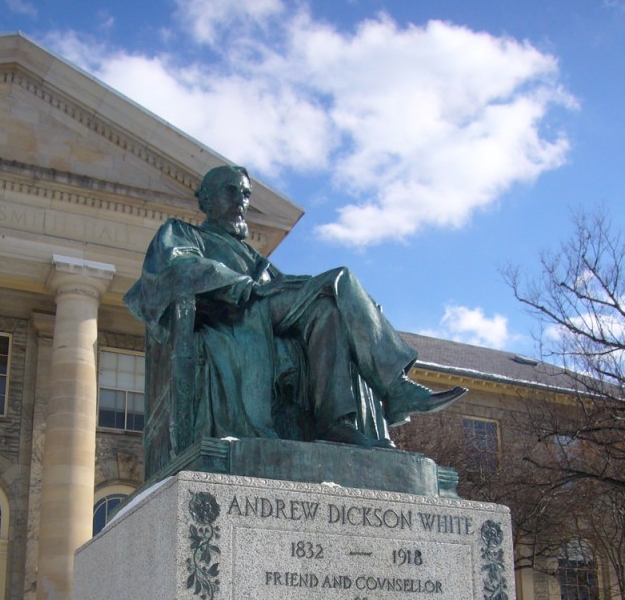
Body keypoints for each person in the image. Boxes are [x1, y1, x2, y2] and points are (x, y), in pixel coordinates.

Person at [125, 164, 466, 449]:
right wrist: (240, 284)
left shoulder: (253, 255)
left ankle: (335, 422)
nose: (242, 201)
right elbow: (176, 268)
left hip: (267, 311)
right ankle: (395, 387)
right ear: (207, 199)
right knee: (340, 280)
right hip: (236, 313)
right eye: (232, 191)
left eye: (246, 194)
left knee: (329, 310)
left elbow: (281, 284)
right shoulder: (183, 232)